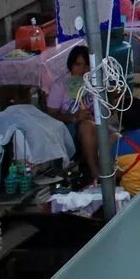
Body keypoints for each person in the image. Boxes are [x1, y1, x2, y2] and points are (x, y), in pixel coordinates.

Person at [45, 46, 102, 179]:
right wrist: (74, 118)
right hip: (69, 129)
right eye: (78, 65)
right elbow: (51, 114)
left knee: (115, 136)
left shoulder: (93, 81)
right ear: (71, 65)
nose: (82, 70)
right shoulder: (60, 85)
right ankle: (95, 173)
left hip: (94, 124)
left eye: (86, 66)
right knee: (87, 127)